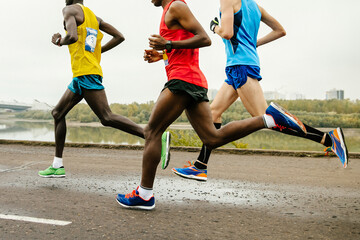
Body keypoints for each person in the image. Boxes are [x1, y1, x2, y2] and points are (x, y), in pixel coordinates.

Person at [116, 0, 307, 210]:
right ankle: (267, 119)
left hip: (183, 80)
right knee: (212, 138)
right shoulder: (169, 11)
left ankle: (144, 195)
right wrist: (162, 55)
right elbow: (186, 46)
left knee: (152, 131)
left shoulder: (175, 6)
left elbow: (204, 39)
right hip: (192, 81)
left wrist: (168, 45)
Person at [171, 0, 349, 181]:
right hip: (240, 66)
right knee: (213, 113)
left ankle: (329, 139)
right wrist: (254, 44)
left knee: (267, 118)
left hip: (241, 66)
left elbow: (227, 32)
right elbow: (280, 30)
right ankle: (200, 166)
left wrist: (214, 27)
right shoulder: (255, 7)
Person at [38, 0, 171, 178]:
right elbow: (119, 37)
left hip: (86, 73)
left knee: (106, 117)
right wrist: (97, 52)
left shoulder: (69, 10)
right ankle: (57, 165)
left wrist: (59, 41)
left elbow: (72, 37)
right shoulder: (94, 18)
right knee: (57, 113)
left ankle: (152, 135)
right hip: (81, 75)